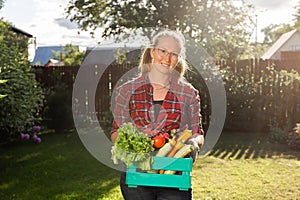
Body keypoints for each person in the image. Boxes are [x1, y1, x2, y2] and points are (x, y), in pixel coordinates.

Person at [111, 29, 204, 200]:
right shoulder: (127, 91)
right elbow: (116, 133)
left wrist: (191, 144)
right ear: (152, 52)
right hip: (136, 178)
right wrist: (136, 143)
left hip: (173, 178)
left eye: (174, 54)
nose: (167, 59)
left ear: (178, 59)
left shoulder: (188, 93)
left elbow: (197, 132)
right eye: (162, 51)